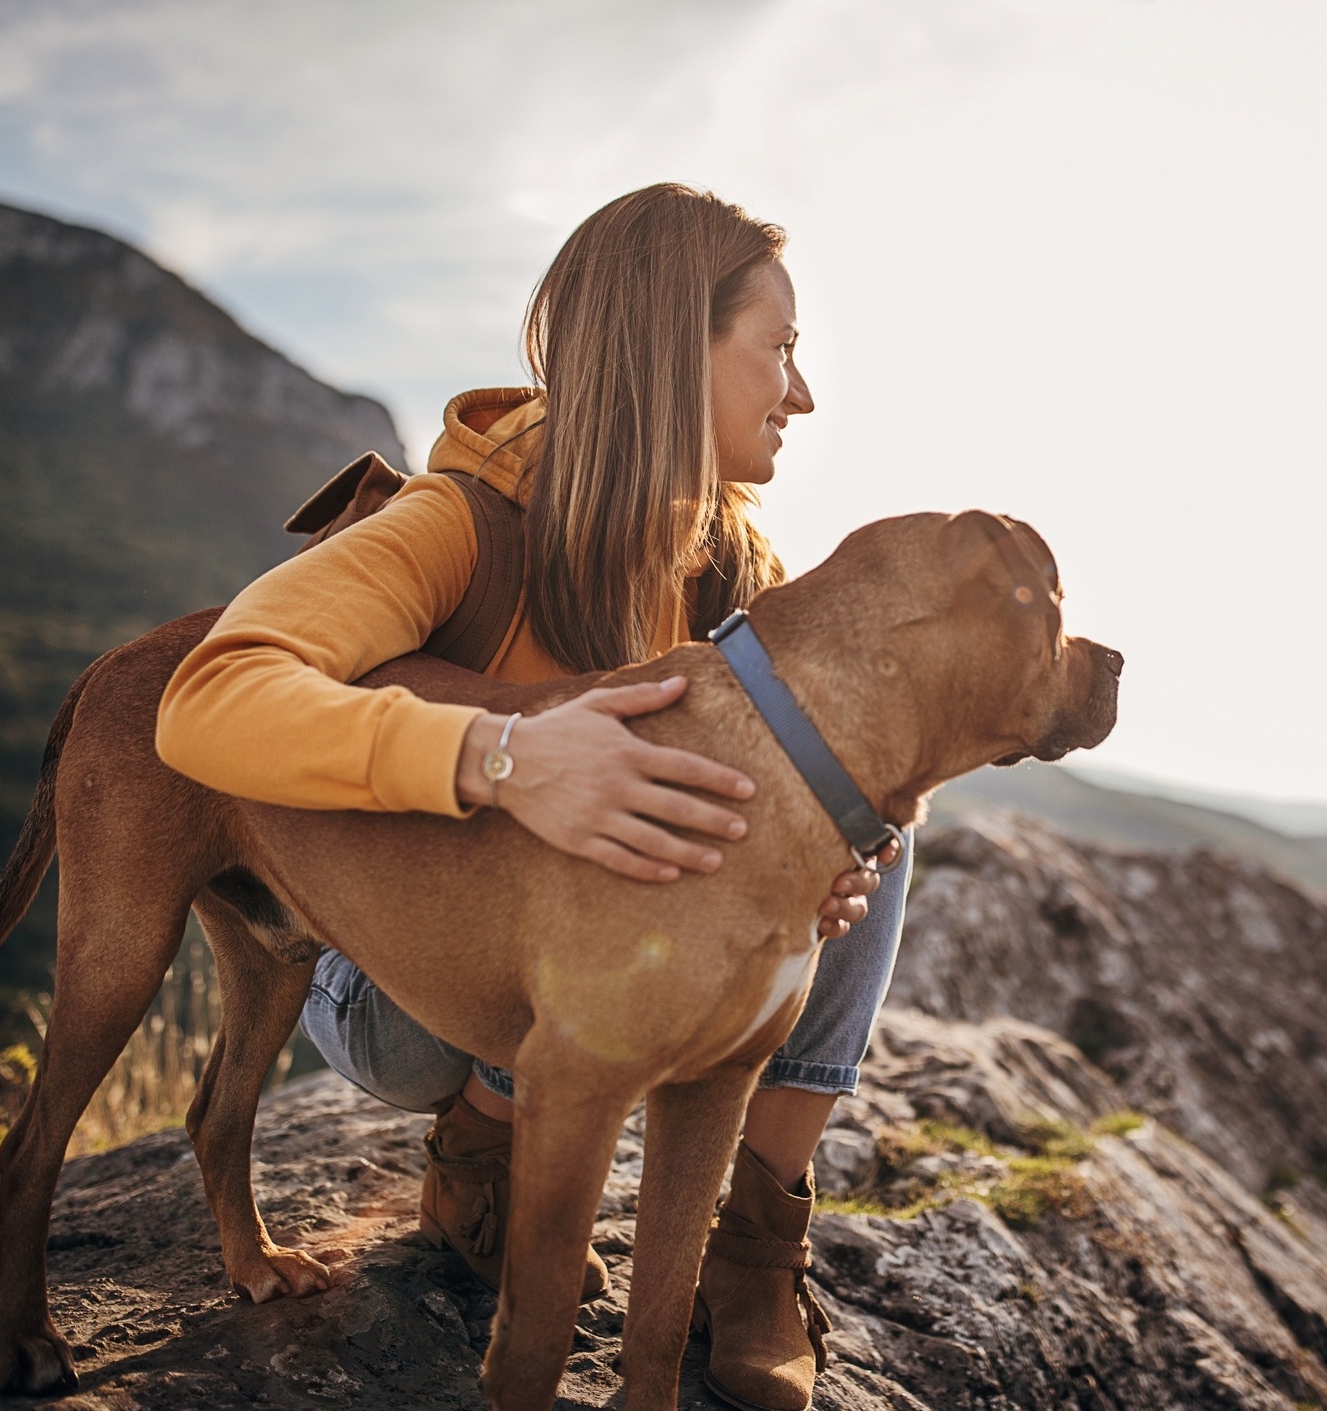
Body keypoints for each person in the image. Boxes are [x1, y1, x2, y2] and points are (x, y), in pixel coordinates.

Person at [154, 183, 907, 1411]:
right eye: (778, 351)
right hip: (407, 990)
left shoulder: (732, 562)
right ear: (675, 357)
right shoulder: (458, 521)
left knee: (864, 807)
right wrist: (500, 756)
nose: (801, 393)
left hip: (591, 966)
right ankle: (480, 1155)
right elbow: (206, 698)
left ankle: (757, 1252)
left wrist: (817, 880)